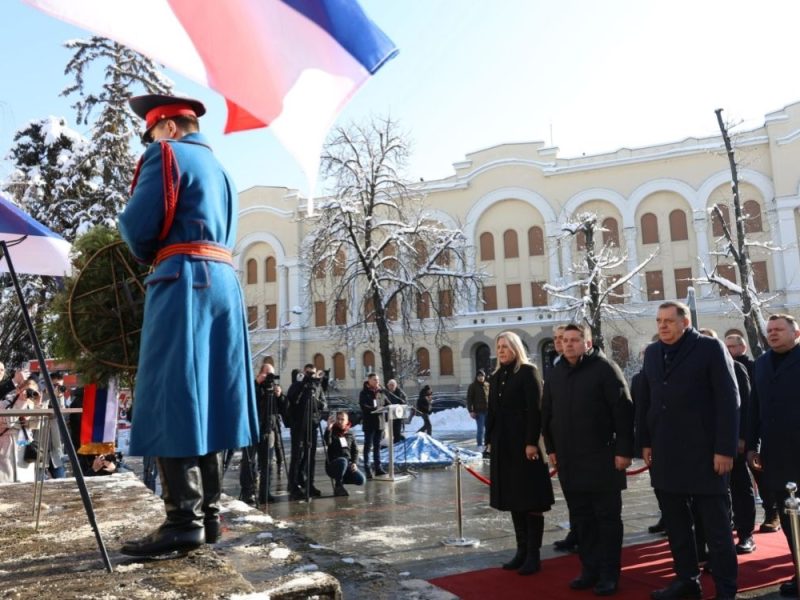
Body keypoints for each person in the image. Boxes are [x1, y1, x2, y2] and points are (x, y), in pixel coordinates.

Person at [118, 94, 259, 556]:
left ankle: (182, 519)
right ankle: (210, 516)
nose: (152, 141)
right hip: (222, 283)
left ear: (169, 129)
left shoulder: (166, 154)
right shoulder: (224, 172)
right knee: (211, 397)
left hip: (182, 281)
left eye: (154, 132)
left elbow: (138, 230)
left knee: (170, 394)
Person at [638, 301, 739, 600]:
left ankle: (726, 590)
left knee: (717, 532)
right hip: (666, 454)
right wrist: (644, 442)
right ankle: (687, 581)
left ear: (685, 321)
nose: (663, 326)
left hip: (706, 455)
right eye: (659, 321)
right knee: (678, 528)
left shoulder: (710, 348)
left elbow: (728, 400)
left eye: (669, 320)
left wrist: (725, 449)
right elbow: (647, 400)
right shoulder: (654, 352)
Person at [542, 323, 634, 596]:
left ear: (588, 343)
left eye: (574, 340)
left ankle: (609, 574)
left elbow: (624, 411)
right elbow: (547, 413)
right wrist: (552, 448)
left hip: (603, 459)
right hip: (570, 461)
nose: (568, 344)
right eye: (565, 340)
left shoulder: (605, 369)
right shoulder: (556, 372)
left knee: (606, 520)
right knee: (582, 520)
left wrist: (624, 451)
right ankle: (589, 569)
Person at [486, 331, 554, 576]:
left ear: (516, 348)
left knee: (530, 499)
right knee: (515, 499)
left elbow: (536, 410)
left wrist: (532, 442)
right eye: (499, 346)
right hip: (504, 446)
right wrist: (489, 439)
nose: (502, 350)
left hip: (525, 446)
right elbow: (492, 411)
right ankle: (521, 550)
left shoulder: (528, 372)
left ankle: (534, 554)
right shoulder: (495, 377)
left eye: (506, 346)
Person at [747, 314, 800, 597]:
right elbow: (755, 405)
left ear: (796, 332)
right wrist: (752, 445)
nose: (773, 333)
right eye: (769, 330)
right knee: (790, 521)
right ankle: (799, 570)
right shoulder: (763, 363)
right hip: (776, 455)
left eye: (779, 329)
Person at [726, 333, 780, 535]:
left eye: (733, 345)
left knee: (760, 473)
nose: (730, 349)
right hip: (741, 431)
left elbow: (751, 402)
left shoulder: (753, 366)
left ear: (743, 347)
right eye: (727, 345)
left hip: (754, 428)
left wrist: (747, 436)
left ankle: (772, 512)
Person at [240, 362, 283, 505]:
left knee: (268, 464)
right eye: (267, 373)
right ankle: (249, 493)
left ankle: (265, 493)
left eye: (272, 374)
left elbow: (283, 409)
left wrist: (280, 395)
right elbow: (245, 399)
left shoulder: (273, 389)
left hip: (268, 429)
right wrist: (256, 384)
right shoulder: (253, 387)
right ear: (260, 373)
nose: (269, 377)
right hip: (252, 429)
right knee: (249, 462)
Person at [287, 364, 326, 500]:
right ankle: (293, 485)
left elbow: (323, 404)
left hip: (312, 424)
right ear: (304, 372)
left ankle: (310, 483)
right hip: (299, 424)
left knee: (311, 456)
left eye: (313, 373)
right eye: (308, 373)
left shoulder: (317, 386)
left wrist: (316, 401)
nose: (311, 375)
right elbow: (291, 400)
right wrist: (303, 386)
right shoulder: (298, 385)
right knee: (296, 456)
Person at [0, 376, 40, 483]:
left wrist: (37, 405)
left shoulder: (30, 407)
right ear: (18, 390)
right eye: (27, 390)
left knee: (24, 489)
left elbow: (37, 425)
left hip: (25, 452)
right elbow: (9, 421)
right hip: (6, 452)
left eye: (33, 391)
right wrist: (21, 402)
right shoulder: (4, 404)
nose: (29, 394)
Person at [324, 411, 366, 496]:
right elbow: (327, 442)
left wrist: (354, 463)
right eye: (338, 419)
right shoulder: (332, 431)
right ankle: (338, 485)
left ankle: (342, 479)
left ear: (347, 421)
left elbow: (355, 451)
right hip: (333, 465)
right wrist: (329, 428)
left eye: (342, 419)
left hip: (347, 465)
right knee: (343, 460)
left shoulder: (350, 434)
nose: (340, 421)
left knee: (361, 480)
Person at [359, 373, 387, 479]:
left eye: (378, 380)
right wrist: (374, 409)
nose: (377, 381)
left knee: (377, 447)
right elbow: (363, 406)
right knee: (368, 446)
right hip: (369, 423)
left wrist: (393, 405)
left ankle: (378, 468)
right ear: (369, 380)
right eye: (375, 379)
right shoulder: (364, 393)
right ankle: (367, 469)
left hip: (379, 423)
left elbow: (387, 403)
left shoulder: (381, 391)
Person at [466, 369, 489, 451]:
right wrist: (471, 411)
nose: (481, 377)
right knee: (480, 429)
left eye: (482, 376)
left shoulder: (487, 385)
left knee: (489, 429)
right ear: (476, 377)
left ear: (484, 376)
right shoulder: (472, 386)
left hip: (488, 411)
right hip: (479, 411)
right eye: (479, 376)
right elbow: (469, 399)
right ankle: (479, 445)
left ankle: (487, 444)